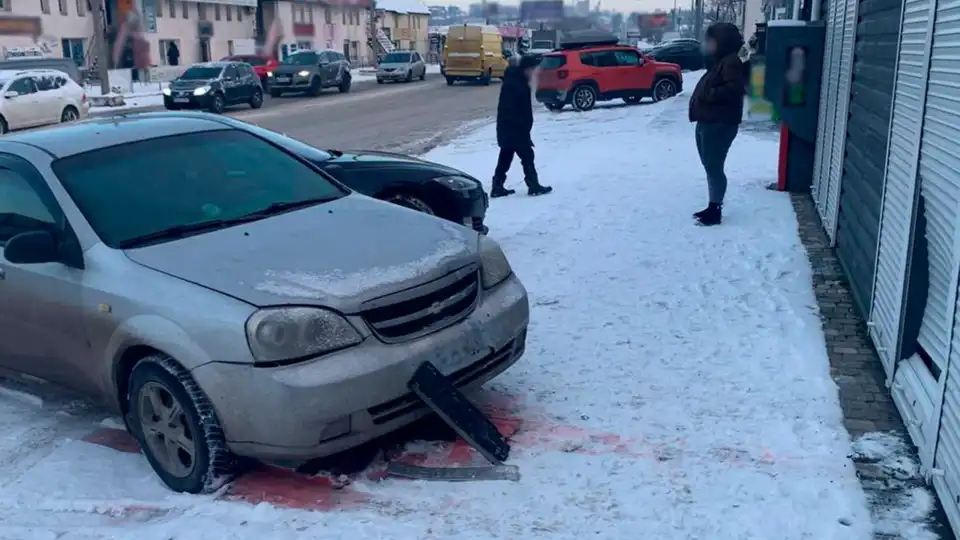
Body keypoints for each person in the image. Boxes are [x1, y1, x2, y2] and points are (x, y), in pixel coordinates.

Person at [688, 22, 747, 226]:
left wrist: (708, 94)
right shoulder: (719, 61)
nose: (708, 45)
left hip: (719, 123)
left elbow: (734, 89)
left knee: (714, 166)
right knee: (710, 165)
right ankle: (713, 205)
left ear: (722, 42)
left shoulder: (730, 62)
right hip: (708, 121)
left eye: (711, 41)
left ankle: (715, 209)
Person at [491, 54, 552, 198]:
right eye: (532, 70)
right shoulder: (515, 83)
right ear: (526, 69)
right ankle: (533, 185)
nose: (534, 73)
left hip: (510, 127)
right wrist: (521, 126)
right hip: (514, 128)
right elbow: (511, 108)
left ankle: (497, 186)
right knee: (527, 155)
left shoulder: (518, 80)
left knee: (506, 155)